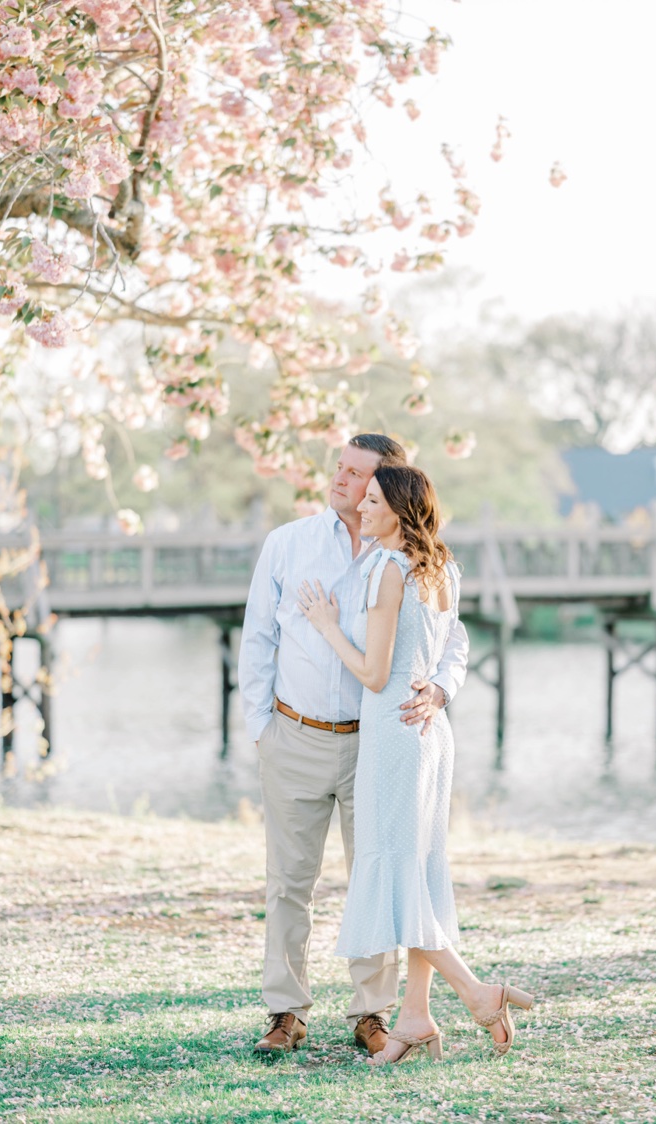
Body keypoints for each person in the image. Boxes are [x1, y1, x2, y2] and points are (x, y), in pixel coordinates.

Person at [238, 433, 469, 1057]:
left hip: (378, 742)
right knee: (289, 880)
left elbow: (452, 639)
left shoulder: (407, 558)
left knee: (376, 873)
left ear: (387, 488)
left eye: (358, 475)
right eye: (339, 469)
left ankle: (372, 1012)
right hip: (295, 733)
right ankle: (286, 1011)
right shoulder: (288, 544)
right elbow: (257, 636)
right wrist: (261, 726)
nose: (341, 481)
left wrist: (440, 689)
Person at [296, 464, 533, 1065]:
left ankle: (478, 993)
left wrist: (325, 625)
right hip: (429, 731)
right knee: (419, 873)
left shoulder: (387, 570)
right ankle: (417, 1016)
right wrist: (436, 691)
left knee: (401, 876)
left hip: (394, 733)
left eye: (373, 501)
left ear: (400, 511)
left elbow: (375, 675)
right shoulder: (442, 568)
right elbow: (442, 644)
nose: (362, 507)